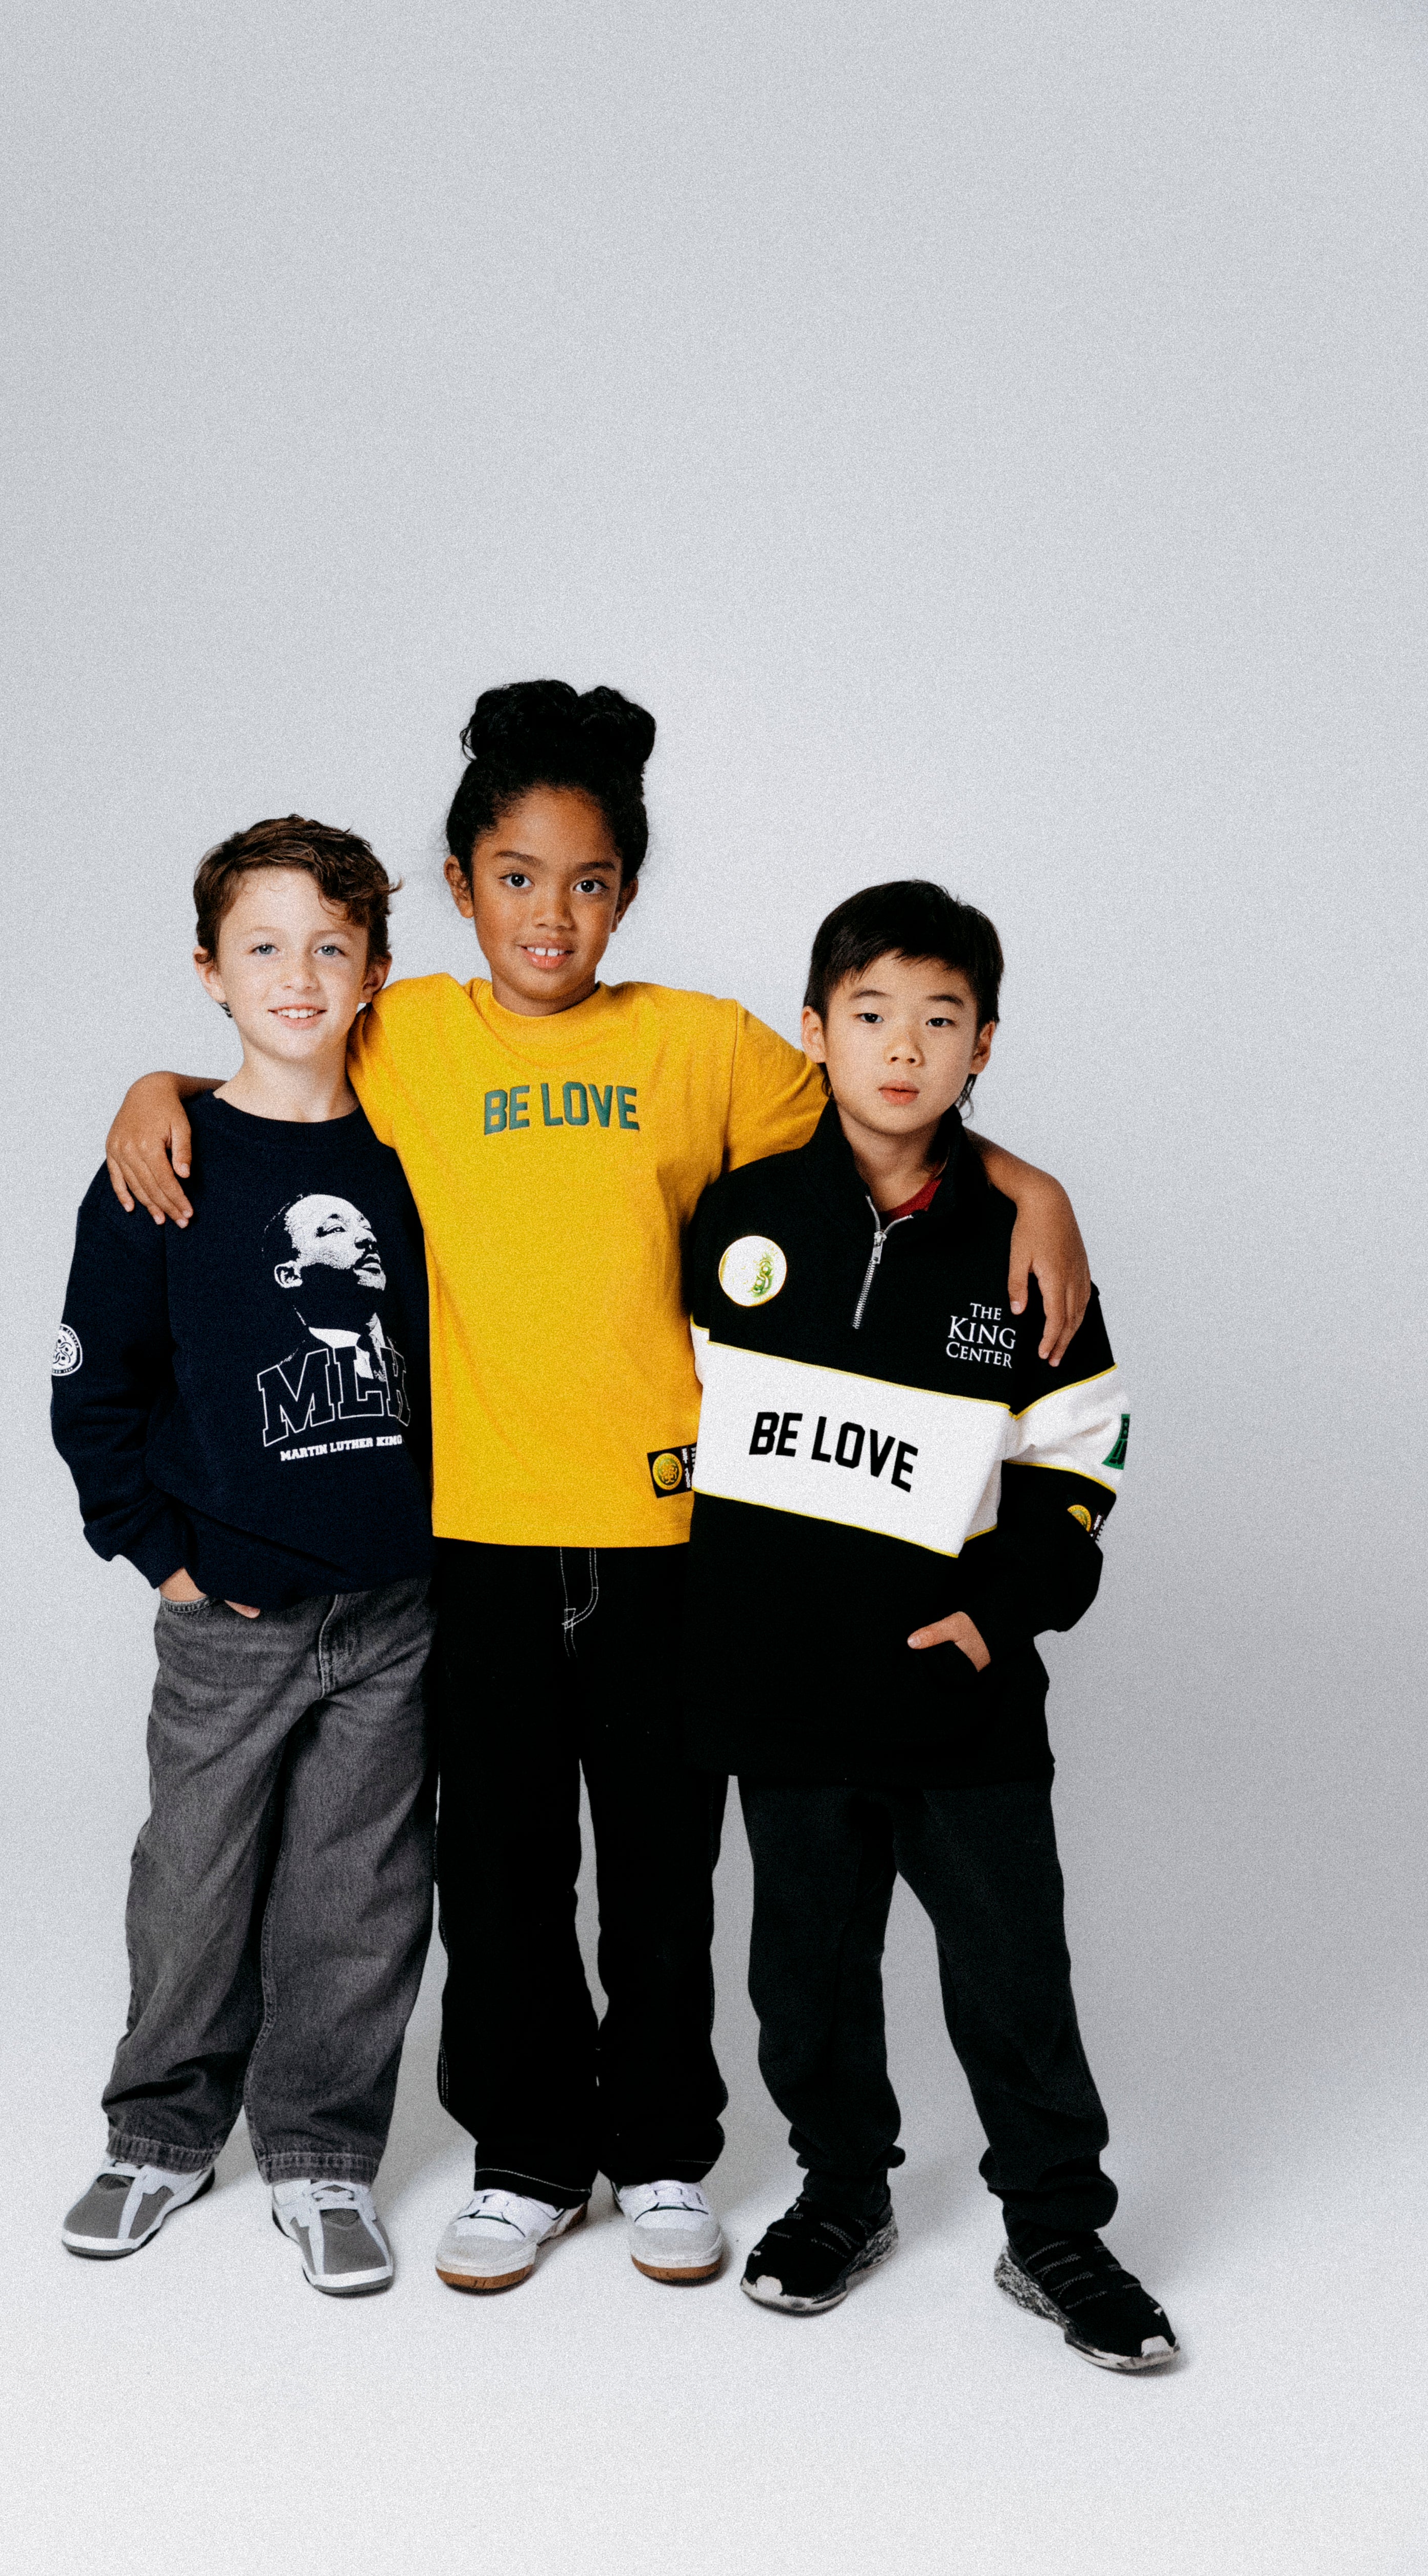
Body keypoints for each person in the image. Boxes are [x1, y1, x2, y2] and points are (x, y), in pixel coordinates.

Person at [103, 683, 1095, 2296]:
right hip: (478, 1541)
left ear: (626, 890)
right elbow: (269, 1058)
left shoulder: (697, 1046)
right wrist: (154, 1090)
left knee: (658, 1871)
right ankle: (525, 2155)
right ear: (457, 885)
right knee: (498, 1872)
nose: (549, 915)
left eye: (586, 881)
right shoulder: (408, 1033)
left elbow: (884, 1110)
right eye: (514, 877)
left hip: (668, 1545)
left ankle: (662, 2149)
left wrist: (1024, 1180)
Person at [683, 878, 1177, 2370]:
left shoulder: (1025, 1244)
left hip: (961, 1702)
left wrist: (999, 1614)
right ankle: (843, 2192)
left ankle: (1057, 2226)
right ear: (816, 1031)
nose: (904, 1047)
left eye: (940, 1019)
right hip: (787, 1699)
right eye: (873, 1013)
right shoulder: (740, 1216)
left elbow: (1083, 1458)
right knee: (802, 1980)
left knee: (1014, 1976)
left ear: (983, 1047)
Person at [52, 817, 436, 2295]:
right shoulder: (163, 1161)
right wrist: (161, 1556)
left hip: (396, 1608)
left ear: (377, 970)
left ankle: (323, 2154)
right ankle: (158, 2134)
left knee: (361, 1897)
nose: (299, 975)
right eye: (264, 947)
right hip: (232, 1615)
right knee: (194, 1884)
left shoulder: (413, 1154)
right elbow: (95, 1388)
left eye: (332, 946)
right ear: (209, 971)